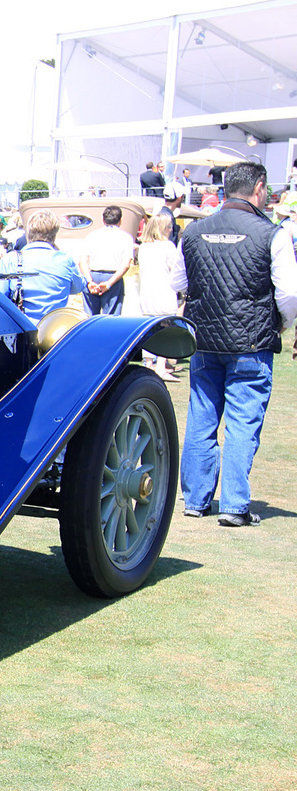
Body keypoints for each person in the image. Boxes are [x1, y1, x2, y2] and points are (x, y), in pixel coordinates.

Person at [169, 161, 297, 527]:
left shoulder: (194, 231)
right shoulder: (272, 233)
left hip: (204, 338)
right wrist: (280, 325)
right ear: (259, 188)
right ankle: (235, 505)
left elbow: (179, 280)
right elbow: (289, 293)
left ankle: (195, 499)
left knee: (201, 418)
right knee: (243, 421)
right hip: (251, 342)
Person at [0, 210, 86, 324]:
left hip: (21, 327)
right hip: (55, 328)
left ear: (28, 232)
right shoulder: (65, 259)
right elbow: (78, 287)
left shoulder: (11, 260)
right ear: (54, 233)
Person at [135, 209, 181, 381]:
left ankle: (149, 364)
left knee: (149, 330)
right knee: (165, 330)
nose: (171, 230)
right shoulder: (168, 247)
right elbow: (175, 269)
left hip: (147, 293)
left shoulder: (144, 247)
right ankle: (160, 366)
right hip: (164, 292)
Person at [77, 205, 134, 315]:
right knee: (111, 319)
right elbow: (125, 265)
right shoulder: (126, 238)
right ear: (120, 220)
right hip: (113, 277)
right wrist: (109, 284)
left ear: (103, 220)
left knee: (90, 318)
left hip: (93, 275)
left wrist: (89, 281)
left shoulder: (91, 235)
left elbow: (82, 261)